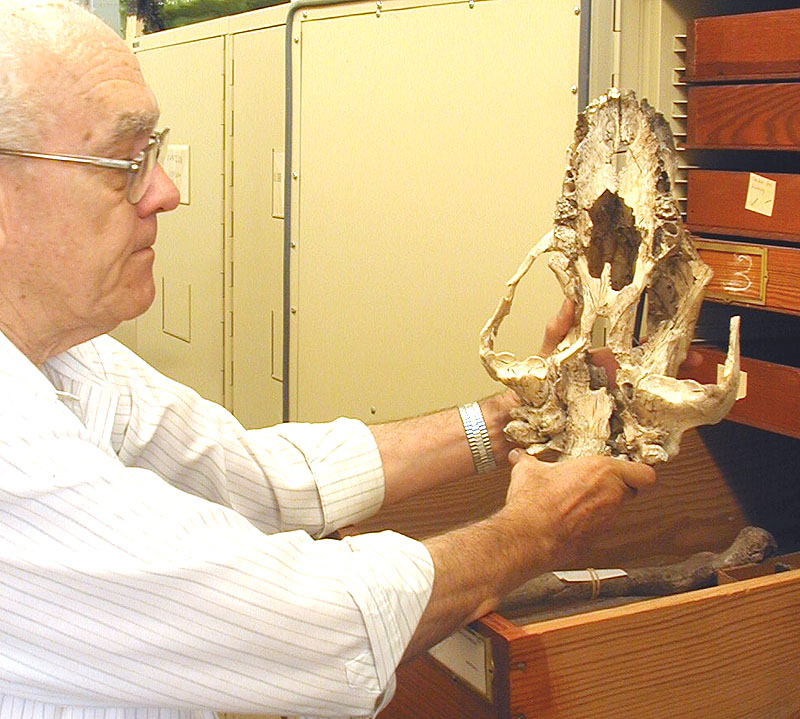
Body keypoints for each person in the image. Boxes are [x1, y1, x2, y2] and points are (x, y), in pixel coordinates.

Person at [0, 2, 656, 718]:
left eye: (155, 153)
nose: (166, 189)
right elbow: (310, 622)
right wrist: (533, 529)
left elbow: (261, 475)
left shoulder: (70, 356)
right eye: (126, 162)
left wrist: (511, 417)